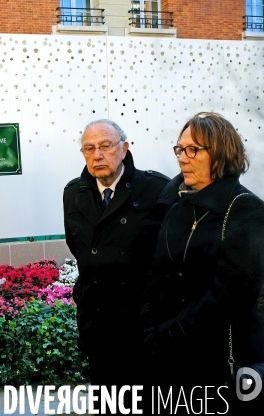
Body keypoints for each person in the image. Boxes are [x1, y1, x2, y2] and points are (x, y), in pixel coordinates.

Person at [141, 112, 264, 412]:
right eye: (180, 149)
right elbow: (157, 274)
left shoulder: (245, 209)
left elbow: (230, 294)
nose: (182, 158)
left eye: (193, 149)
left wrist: (169, 333)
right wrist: (149, 323)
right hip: (171, 362)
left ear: (220, 153)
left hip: (219, 364)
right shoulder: (178, 206)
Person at [63, 119, 170, 391]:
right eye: (89, 148)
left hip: (141, 327)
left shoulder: (156, 189)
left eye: (105, 146)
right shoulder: (74, 193)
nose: (97, 155)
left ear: (124, 149)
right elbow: (78, 248)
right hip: (98, 325)